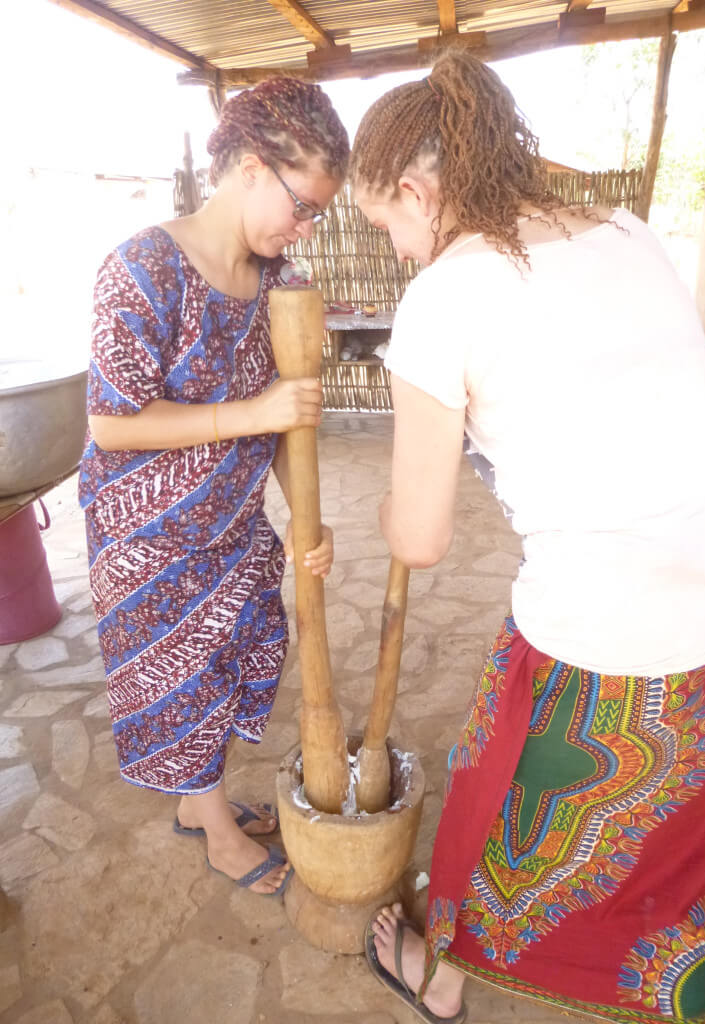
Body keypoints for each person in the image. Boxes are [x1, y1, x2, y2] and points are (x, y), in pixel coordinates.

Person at [350, 50, 705, 1024]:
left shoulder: (446, 294)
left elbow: (418, 537)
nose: (404, 252)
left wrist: (383, 509)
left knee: (490, 799)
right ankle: (663, 985)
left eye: (391, 228)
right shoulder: (624, 229)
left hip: (610, 612)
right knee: (672, 831)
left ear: (419, 190)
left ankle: (440, 974)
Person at [79, 79, 349, 897]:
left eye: (316, 215)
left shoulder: (277, 286)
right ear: (253, 169)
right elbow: (110, 425)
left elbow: (282, 420)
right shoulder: (142, 269)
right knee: (184, 676)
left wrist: (308, 517)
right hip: (148, 535)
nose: (303, 227)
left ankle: (201, 802)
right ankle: (216, 824)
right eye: (301, 204)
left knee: (239, 653)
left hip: (231, 523)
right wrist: (250, 412)